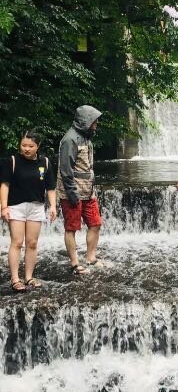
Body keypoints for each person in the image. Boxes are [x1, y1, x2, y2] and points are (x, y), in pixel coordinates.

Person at [0, 131, 57, 292]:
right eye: (23, 145)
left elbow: (51, 188)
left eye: (31, 146)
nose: (26, 149)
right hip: (16, 206)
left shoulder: (44, 162)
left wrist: (52, 206)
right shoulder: (12, 161)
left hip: (36, 206)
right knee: (17, 242)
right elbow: (4, 185)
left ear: (38, 146)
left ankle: (29, 277)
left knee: (32, 243)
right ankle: (15, 279)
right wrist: (3, 207)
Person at [57, 105, 104, 275]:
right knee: (72, 227)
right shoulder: (70, 139)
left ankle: (90, 257)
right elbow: (65, 170)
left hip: (88, 191)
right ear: (86, 121)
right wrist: (71, 193)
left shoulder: (86, 137)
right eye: (94, 120)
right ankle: (74, 263)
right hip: (72, 193)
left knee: (96, 223)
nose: (97, 123)